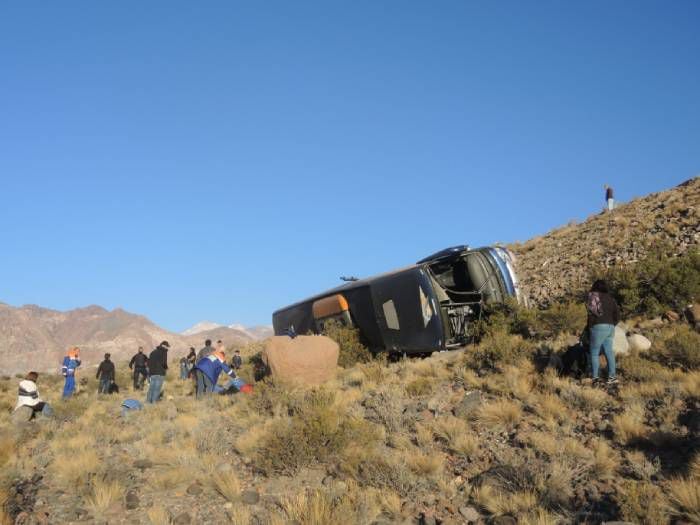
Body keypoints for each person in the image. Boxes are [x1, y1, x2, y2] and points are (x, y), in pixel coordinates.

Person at [586, 279, 620, 385]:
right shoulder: (611, 299)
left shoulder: (593, 296)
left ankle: (595, 378)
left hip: (598, 326)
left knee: (594, 353)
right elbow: (617, 315)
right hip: (610, 328)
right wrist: (611, 324)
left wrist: (590, 327)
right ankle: (612, 377)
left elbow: (591, 314)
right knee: (609, 352)